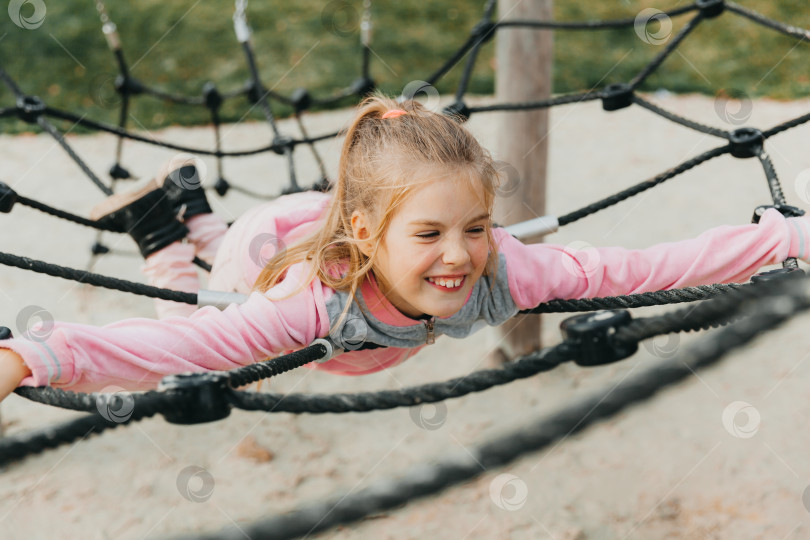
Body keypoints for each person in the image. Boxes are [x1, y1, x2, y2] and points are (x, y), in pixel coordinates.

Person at [1, 94, 809, 402]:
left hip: (335, 220)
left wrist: (785, 237)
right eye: (431, 235)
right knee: (197, 302)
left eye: (476, 227)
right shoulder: (311, 305)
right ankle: (162, 224)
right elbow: (176, 340)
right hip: (277, 250)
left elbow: (642, 267)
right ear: (370, 237)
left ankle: (187, 203)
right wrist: (34, 358)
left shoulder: (504, 267)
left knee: (229, 271)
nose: (459, 256)